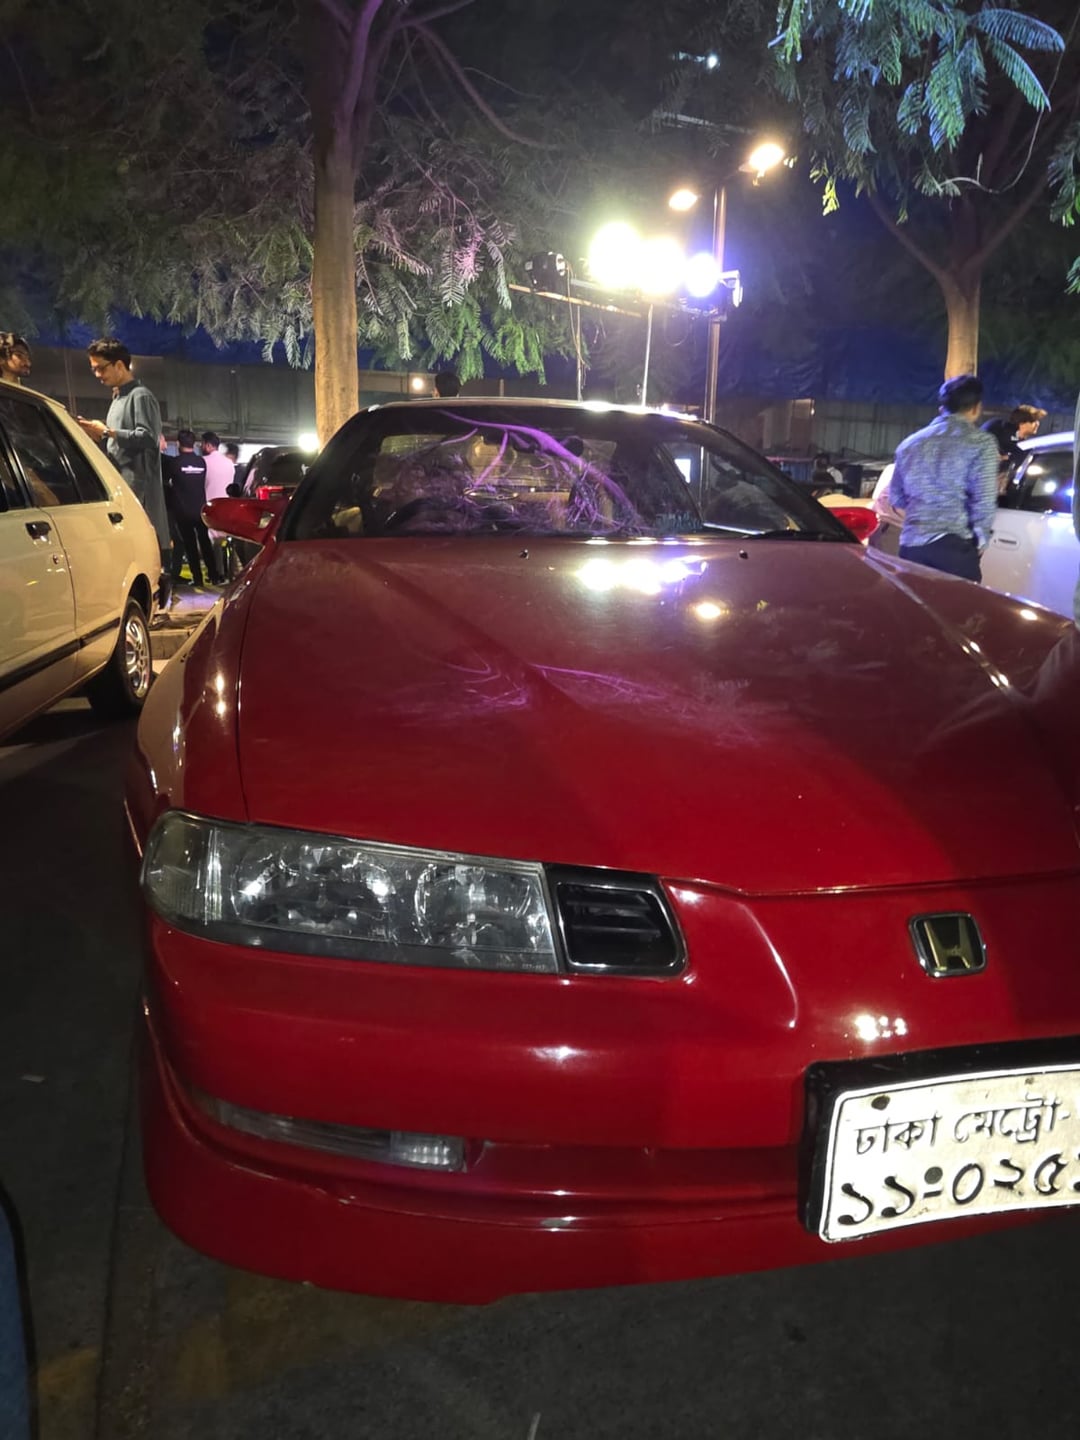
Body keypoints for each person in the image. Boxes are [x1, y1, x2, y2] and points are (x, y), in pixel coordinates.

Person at [77, 339, 172, 602]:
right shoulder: (119, 397)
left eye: (101, 368)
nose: (97, 375)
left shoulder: (140, 396)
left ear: (119, 365)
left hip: (139, 492)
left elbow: (148, 437)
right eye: (94, 369)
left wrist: (108, 431)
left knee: (143, 560)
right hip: (123, 490)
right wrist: (99, 434)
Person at [889, 373, 1000, 581]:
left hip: (911, 547)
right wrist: (982, 539)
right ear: (976, 408)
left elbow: (896, 499)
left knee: (913, 602)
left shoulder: (909, 444)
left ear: (942, 408)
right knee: (959, 603)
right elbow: (984, 500)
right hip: (954, 547)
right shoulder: (981, 442)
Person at [165, 431, 220, 588]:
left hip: (183, 511)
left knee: (190, 546)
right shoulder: (201, 462)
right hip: (200, 509)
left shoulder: (175, 463)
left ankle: (198, 579)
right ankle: (214, 576)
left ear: (178, 444)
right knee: (205, 542)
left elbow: (169, 482)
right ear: (194, 444)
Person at [982, 403, 1047, 489]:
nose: (1037, 424)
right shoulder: (1000, 429)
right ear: (1022, 423)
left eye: (1037, 421)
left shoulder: (1023, 446)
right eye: (1032, 421)